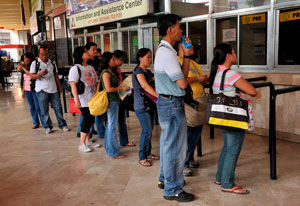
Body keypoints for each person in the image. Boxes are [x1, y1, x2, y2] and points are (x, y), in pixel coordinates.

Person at [210, 43, 261, 194]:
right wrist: (256, 93)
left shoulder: (217, 72)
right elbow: (251, 91)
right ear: (228, 55)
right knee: (233, 150)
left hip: (222, 116)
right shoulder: (231, 74)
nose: (235, 54)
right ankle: (227, 183)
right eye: (234, 52)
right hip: (233, 117)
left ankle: (220, 177)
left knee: (227, 148)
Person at [154, 14, 194, 202]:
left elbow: (182, 78)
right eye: (179, 27)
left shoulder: (166, 51)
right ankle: (173, 189)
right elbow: (183, 85)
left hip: (168, 103)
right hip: (171, 104)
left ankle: (165, 179)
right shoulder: (166, 53)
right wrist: (182, 57)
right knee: (176, 148)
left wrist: (186, 56)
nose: (181, 31)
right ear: (170, 29)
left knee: (168, 145)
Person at [175, 42, 209, 176]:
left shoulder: (194, 63)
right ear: (180, 48)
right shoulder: (176, 61)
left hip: (198, 101)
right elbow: (180, 80)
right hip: (186, 102)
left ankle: (189, 158)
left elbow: (198, 80)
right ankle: (183, 164)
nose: (192, 47)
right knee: (186, 134)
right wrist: (196, 78)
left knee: (196, 133)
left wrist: (203, 80)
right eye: (188, 46)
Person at [30, 45, 69, 134]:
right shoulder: (35, 63)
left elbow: (56, 76)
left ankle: (62, 125)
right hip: (41, 90)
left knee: (58, 108)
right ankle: (47, 126)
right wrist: (40, 74)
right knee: (44, 110)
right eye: (42, 55)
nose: (44, 57)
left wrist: (60, 87)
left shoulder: (52, 63)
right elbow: (32, 76)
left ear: (48, 54)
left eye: (46, 55)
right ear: (39, 55)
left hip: (53, 90)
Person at [69, 46, 100, 153]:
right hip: (83, 99)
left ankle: (88, 141)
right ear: (81, 55)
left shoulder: (90, 67)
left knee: (91, 120)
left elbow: (95, 83)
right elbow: (73, 85)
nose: (88, 53)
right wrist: (76, 100)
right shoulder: (75, 68)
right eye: (85, 52)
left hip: (92, 99)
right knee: (87, 120)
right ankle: (82, 144)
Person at [132, 48, 159, 167]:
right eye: (147, 57)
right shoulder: (138, 71)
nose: (150, 59)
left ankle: (147, 153)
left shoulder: (147, 72)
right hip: (141, 106)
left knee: (149, 130)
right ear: (140, 58)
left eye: (150, 57)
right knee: (146, 131)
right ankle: (142, 157)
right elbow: (145, 86)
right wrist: (159, 97)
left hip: (151, 104)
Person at [100, 52, 130, 159]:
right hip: (111, 101)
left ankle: (109, 148)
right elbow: (108, 89)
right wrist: (121, 88)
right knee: (112, 126)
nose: (114, 61)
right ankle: (113, 152)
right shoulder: (105, 73)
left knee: (110, 125)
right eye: (112, 59)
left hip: (115, 100)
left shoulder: (110, 72)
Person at [113, 50, 136, 147]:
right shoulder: (108, 71)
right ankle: (113, 144)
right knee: (113, 123)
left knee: (122, 121)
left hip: (121, 97)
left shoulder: (117, 69)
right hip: (113, 99)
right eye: (121, 60)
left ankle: (124, 141)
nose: (122, 62)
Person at [20, 52, 46, 129]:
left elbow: (31, 75)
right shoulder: (24, 67)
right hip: (27, 90)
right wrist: (23, 91)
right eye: (24, 58)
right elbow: (25, 80)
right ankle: (35, 122)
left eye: (26, 58)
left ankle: (44, 123)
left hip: (34, 89)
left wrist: (24, 69)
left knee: (38, 107)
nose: (24, 60)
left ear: (30, 58)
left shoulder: (34, 66)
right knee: (32, 107)